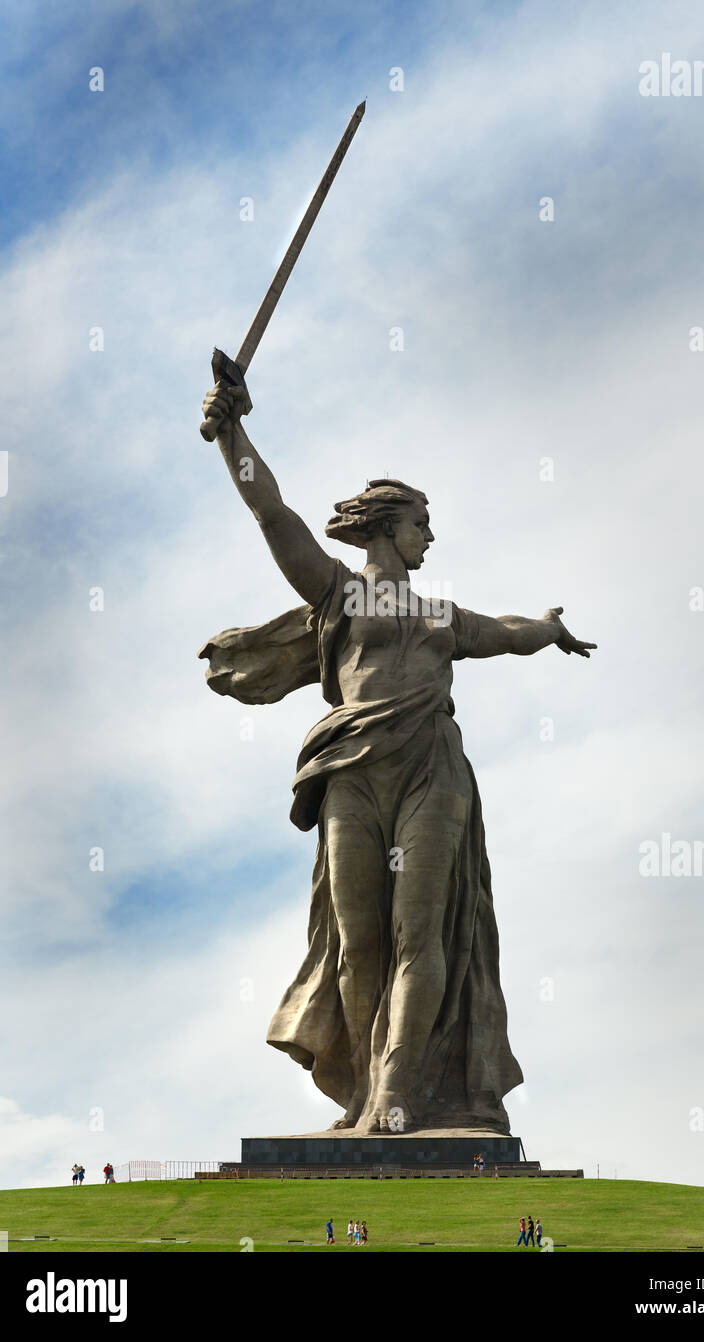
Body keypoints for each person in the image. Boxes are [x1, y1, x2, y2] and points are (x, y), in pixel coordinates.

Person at [200, 385, 596, 1132]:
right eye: (421, 524)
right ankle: (360, 1095)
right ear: (386, 527)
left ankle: (397, 1094)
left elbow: (508, 631)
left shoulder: (440, 615)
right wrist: (233, 437)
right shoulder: (339, 594)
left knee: (422, 933)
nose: (430, 539)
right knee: (359, 942)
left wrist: (547, 627)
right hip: (353, 769)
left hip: (431, 770)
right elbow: (272, 515)